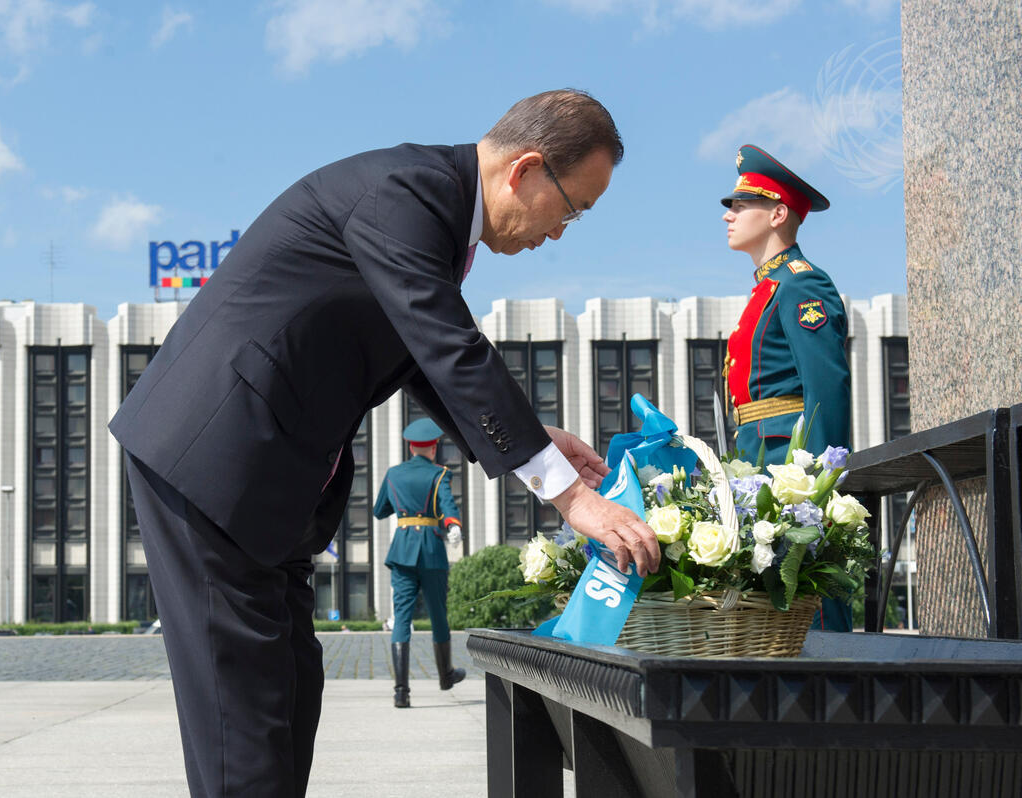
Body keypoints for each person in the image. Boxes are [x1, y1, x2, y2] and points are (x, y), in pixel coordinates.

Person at [110, 89, 660, 797]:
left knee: (287, 699)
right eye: (571, 208)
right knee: (241, 722)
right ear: (525, 169)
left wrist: (536, 436)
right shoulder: (407, 192)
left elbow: (422, 358)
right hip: (215, 460)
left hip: (268, 479)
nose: (561, 232)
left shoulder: (434, 214)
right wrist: (571, 495)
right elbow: (448, 345)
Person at [720, 143, 853, 631]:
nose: (729, 215)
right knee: (773, 612)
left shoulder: (801, 285)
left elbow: (826, 391)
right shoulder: (768, 287)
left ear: (778, 214)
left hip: (790, 470)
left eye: (741, 205)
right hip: (759, 462)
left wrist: (817, 488)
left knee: (808, 605)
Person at [374, 417, 466, 709]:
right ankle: (446, 676)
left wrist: (403, 504)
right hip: (430, 550)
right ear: (433, 447)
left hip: (402, 550)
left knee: (402, 618)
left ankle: (401, 692)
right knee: (438, 614)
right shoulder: (439, 474)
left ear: (411, 447)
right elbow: (447, 504)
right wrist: (453, 525)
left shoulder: (393, 474)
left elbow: (379, 510)